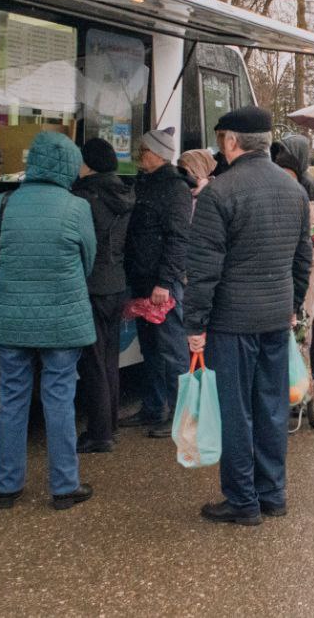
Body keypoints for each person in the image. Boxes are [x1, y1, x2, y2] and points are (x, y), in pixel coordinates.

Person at [185, 106, 311, 526]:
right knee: (272, 407)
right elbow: (302, 259)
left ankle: (242, 499)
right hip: (276, 318)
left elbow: (204, 269)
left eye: (222, 138)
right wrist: (292, 306)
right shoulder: (294, 189)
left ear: (232, 141)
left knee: (236, 411)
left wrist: (195, 324)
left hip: (232, 323)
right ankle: (272, 493)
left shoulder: (218, 193)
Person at [0, 131, 96, 510]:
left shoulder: (3, 203)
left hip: (11, 317)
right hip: (63, 319)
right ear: (68, 166)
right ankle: (64, 487)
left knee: (13, 397)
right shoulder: (77, 207)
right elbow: (88, 260)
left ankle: (7, 487)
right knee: (60, 398)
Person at [121, 127, 192, 438]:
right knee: (150, 348)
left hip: (162, 284)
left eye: (144, 151)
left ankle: (180, 414)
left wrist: (165, 281)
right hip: (142, 279)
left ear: (160, 154)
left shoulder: (175, 188)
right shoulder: (145, 183)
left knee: (172, 350)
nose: (140, 156)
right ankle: (153, 407)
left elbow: (178, 239)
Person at [71, 138, 134, 454]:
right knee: (109, 359)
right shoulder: (124, 193)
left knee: (93, 362)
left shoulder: (83, 197)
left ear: (90, 164)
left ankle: (99, 434)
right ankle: (110, 426)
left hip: (91, 284)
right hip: (117, 283)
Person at [271, 134, 314, 381]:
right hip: (288, 265)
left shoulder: (310, 188)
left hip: (304, 265)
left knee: (303, 318)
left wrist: (309, 260)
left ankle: (309, 371)